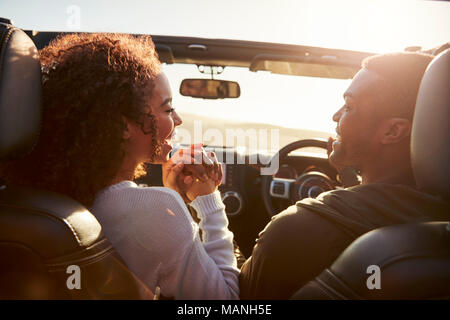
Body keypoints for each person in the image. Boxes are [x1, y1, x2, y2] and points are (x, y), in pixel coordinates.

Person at [0, 33, 239, 299]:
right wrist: (209, 205)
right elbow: (226, 299)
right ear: (123, 124)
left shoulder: (30, 201)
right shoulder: (157, 209)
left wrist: (175, 201)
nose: (178, 119)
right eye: (168, 109)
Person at [239, 52, 450, 299]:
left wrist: (208, 209)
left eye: (349, 106)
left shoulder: (298, 230)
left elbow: (233, 296)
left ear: (393, 130)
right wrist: (352, 181)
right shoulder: (437, 227)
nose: (336, 116)